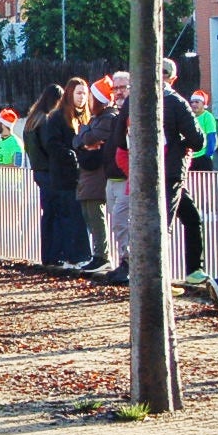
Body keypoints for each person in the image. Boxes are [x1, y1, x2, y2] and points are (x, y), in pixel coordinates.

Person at [157, 58, 207, 286]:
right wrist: (181, 143)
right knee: (164, 224)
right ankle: (161, 279)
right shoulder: (176, 102)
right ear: (174, 78)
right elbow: (198, 140)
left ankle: (194, 270)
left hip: (143, 172)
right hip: (171, 171)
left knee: (191, 216)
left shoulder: (136, 101)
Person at [39, 77, 92, 268]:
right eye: (78, 93)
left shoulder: (84, 117)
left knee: (79, 217)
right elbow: (52, 144)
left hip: (81, 175)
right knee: (69, 216)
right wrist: (71, 155)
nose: (82, 97)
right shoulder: (57, 117)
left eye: (84, 93)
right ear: (70, 93)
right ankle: (74, 256)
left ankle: (79, 255)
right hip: (64, 177)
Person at [76, 79, 119, 274]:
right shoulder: (96, 119)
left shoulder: (108, 118)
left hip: (97, 173)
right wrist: (84, 136)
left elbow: (88, 138)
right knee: (88, 213)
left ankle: (102, 255)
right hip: (88, 173)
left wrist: (84, 134)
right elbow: (79, 139)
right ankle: (98, 254)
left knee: (95, 214)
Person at [22, 83, 62, 265]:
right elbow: (49, 146)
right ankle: (54, 254)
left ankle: (47, 255)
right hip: (49, 171)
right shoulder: (46, 120)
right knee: (54, 214)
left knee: (47, 214)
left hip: (38, 170)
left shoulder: (32, 120)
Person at [100, 72, 132, 284]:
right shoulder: (114, 115)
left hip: (127, 179)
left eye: (123, 87)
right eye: (115, 88)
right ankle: (124, 263)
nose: (118, 92)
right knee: (118, 224)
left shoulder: (133, 114)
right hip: (112, 178)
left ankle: (130, 265)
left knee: (123, 222)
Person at [190, 90, 218, 171]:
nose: (193, 104)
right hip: (190, 157)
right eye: (192, 102)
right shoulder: (189, 116)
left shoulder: (208, 117)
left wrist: (208, 154)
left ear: (203, 104)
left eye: (197, 102)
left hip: (203, 157)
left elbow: (211, 136)